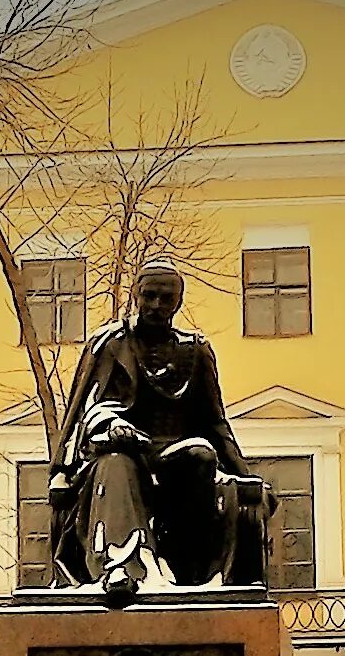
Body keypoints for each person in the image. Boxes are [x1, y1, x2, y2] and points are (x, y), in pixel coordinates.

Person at [47, 259, 270, 604]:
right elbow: (85, 407)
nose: (156, 305)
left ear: (178, 302)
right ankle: (121, 567)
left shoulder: (194, 350)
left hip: (171, 453)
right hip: (118, 451)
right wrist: (109, 426)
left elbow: (215, 422)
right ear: (136, 295)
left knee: (200, 454)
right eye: (149, 295)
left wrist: (247, 476)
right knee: (118, 463)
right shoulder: (110, 343)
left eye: (166, 298)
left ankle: (185, 570)